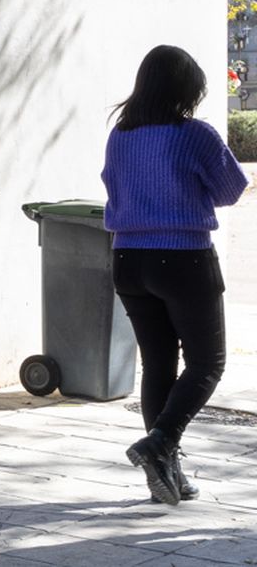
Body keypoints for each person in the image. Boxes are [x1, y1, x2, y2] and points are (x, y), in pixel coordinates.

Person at [101, 44, 246, 506]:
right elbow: (231, 190)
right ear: (187, 89)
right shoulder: (195, 134)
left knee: (158, 364)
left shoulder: (120, 135)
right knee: (207, 363)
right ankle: (161, 441)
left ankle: (167, 470)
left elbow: (113, 184)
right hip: (182, 258)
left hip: (128, 259)